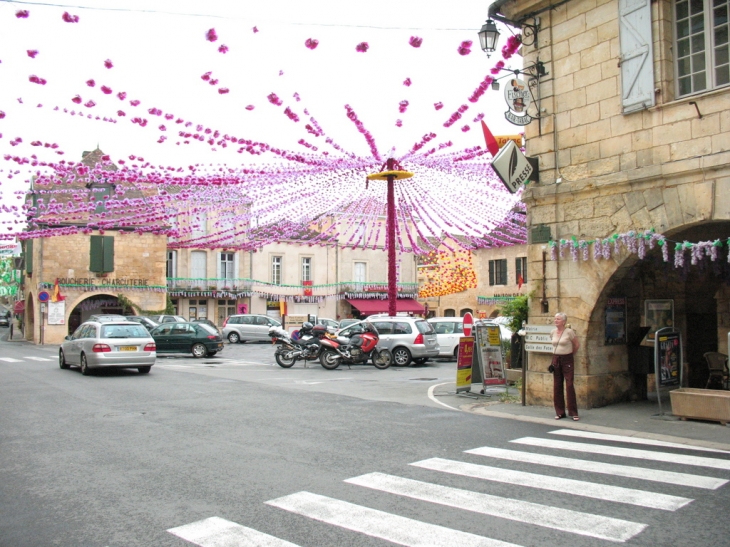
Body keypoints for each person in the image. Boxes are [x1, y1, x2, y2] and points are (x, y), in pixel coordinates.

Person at [551, 312, 580, 421]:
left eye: (558, 319)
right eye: (555, 319)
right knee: (557, 385)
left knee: (569, 385)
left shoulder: (569, 332)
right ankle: (560, 412)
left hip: (567, 359)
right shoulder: (553, 332)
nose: (556, 320)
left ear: (564, 321)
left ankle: (573, 412)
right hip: (556, 359)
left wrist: (571, 354)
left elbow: (576, 345)